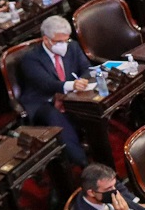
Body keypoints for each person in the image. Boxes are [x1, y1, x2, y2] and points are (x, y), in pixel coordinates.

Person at [16, 15, 93, 166]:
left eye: (66, 40)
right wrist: (72, 85)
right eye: (59, 41)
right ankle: (82, 162)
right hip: (43, 101)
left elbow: (86, 68)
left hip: (70, 96)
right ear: (46, 40)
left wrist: (81, 81)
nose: (64, 44)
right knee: (56, 120)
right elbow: (46, 84)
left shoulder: (73, 47)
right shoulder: (30, 58)